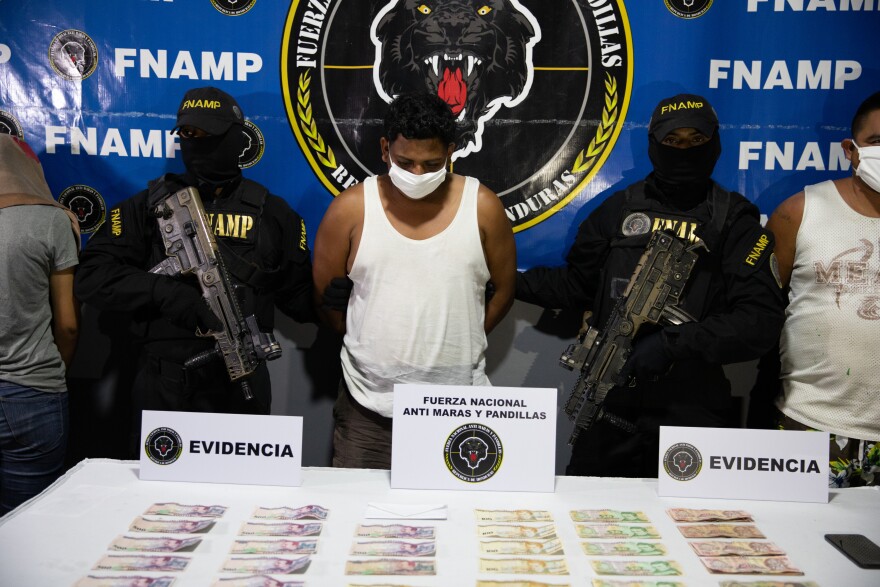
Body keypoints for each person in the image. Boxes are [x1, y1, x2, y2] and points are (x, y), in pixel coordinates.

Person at [516, 94, 785, 478]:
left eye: (696, 140)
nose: (685, 150)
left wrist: (671, 344)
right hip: (614, 407)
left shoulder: (734, 221)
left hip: (693, 412)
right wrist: (505, 282)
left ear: (715, 143)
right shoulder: (619, 210)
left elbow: (759, 322)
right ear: (654, 145)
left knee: (701, 529)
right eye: (673, 142)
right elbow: (576, 286)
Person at [74, 87, 314, 456]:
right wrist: (164, 292)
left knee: (246, 499)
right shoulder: (148, 208)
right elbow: (92, 277)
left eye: (208, 136)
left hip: (242, 384)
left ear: (236, 137)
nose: (196, 144)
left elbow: (299, 300)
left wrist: (337, 294)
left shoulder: (273, 214)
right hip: (165, 385)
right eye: (188, 135)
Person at [312, 93, 516, 469]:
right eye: (406, 162)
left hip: (459, 405)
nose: (418, 174)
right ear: (385, 148)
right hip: (368, 407)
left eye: (432, 163)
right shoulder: (350, 209)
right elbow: (326, 299)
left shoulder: (482, 206)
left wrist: (467, 335)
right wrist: (366, 341)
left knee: (458, 523)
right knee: (358, 521)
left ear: (451, 152)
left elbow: (504, 290)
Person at [767, 91, 880, 487]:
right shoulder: (799, 211)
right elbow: (759, 308)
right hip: (811, 426)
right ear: (851, 150)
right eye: (877, 142)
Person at [0, 135, 80, 514]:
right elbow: (67, 325)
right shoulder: (52, 220)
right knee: (29, 524)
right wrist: (54, 373)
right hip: (33, 393)